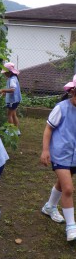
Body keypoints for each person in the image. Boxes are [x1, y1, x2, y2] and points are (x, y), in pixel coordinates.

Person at [40, 74, 76, 242]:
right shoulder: (61, 108)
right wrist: (45, 150)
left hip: (74, 156)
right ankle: (71, 228)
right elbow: (48, 129)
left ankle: (49, 207)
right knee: (68, 188)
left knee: (62, 184)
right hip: (60, 154)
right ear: (73, 91)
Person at [0, 62, 22, 135]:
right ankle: (17, 130)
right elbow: (11, 89)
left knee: (9, 114)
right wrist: (5, 92)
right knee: (14, 114)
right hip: (16, 100)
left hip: (12, 100)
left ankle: (11, 131)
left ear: (9, 72)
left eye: (5, 72)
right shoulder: (14, 78)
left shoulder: (12, 79)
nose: (4, 74)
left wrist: (3, 90)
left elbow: (12, 89)